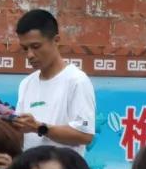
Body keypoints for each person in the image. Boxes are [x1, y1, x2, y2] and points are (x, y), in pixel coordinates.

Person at [12, 9, 96, 155]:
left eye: (36, 47)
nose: (30, 55)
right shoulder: (26, 83)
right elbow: (22, 134)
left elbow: (85, 135)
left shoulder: (76, 81)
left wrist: (39, 127)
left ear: (56, 40)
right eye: (25, 48)